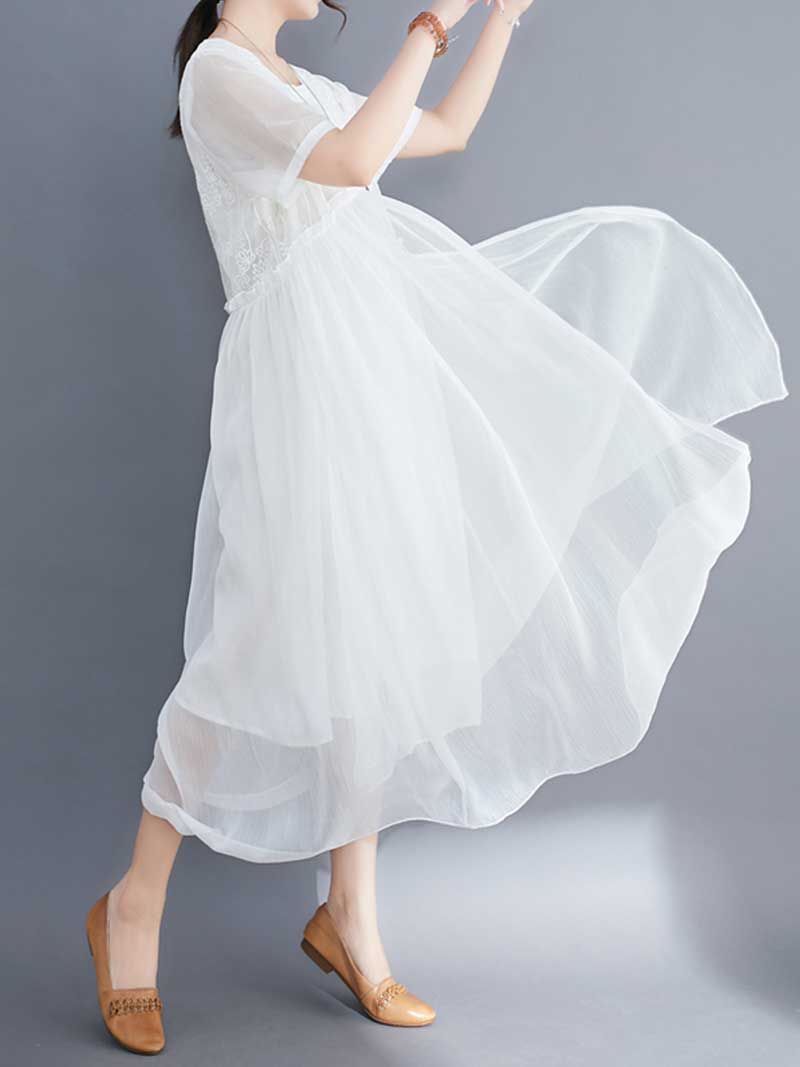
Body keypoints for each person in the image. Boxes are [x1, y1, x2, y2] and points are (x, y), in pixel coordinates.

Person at [85, 0, 787, 1054]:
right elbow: (352, 159)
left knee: (379, 643)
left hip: (376, 382)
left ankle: (350, 916)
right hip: (298, 392)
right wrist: (427, 25)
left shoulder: (300, 87)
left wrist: (497, 17)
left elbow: (444, 132)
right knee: (252, 647)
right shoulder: (221, 76)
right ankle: (131, 906)